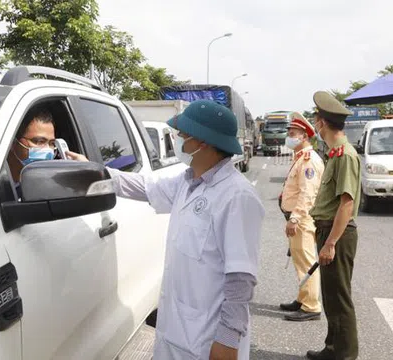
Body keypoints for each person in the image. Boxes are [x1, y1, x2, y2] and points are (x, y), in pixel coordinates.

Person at [69, 100, 265, 360]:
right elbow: (143, 186)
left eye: (183, 136)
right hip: (177, 331)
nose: (178, 142)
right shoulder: (188, 181)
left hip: (207, 341)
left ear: (202, 142)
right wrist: (96, 172)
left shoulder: (237, 196)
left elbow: (240, 277)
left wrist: (228, 339)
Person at [307, 91, 360, 360]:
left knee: (339, 299)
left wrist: (330, 244)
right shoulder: (335, 153)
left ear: (322, 123)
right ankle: (333, 348)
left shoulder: (345, 156)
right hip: (328, 231)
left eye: (315, 119)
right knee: (330, 297)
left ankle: (345, 355)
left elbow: (346, 204)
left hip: (337, 235)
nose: (314, 124)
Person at [279, 112, 324, 322]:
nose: (289, 136)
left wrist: (295, 218)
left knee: (306, 262)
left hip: (302, 219)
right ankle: (302, 298)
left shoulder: (308, 160)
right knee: (300, 260)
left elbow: (308, 193)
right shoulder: (300, 158)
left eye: (293, 133)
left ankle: (311, 306)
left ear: (304, 136)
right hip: (297, 217)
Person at [7, 105, 56, 196]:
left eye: (52, 143)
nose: (48, 150)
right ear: (13, 143)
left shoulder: (53, 186)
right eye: (39, 141)